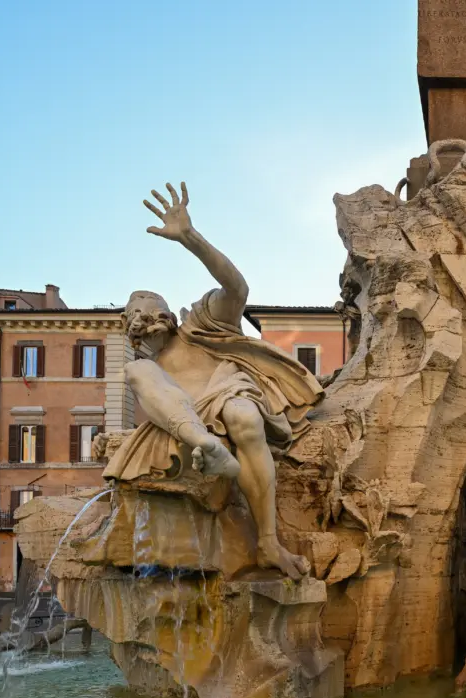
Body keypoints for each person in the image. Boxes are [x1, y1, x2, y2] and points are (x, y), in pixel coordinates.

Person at [104, 182, 323, 579]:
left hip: (229, 397)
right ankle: (209, 445)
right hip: (186, 428)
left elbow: (237, 287)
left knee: (242, 413)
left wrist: (189, 237)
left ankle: (269, 542)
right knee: (136, 370)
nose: (139, 315)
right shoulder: (145, 369)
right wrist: (204, 440)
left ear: (167, 314)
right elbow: (146, 387)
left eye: (147, 307)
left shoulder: (203, 325)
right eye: (131, 313)